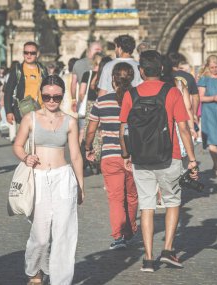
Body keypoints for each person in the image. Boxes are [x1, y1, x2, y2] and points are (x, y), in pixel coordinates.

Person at [119, 50, 198, 272]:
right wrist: (191, 159)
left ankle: (148, 259)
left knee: (146, 206)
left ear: (141, 71)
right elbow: (183, 127)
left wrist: (126, 155)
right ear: (161, 69)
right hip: (169, 156)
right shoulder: (171, 92)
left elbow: (123, 128)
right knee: (172, 202)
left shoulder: (130, 94)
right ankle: (168, 250)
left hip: (140, 158)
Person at [13, 74, 84, 285]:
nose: (51, 100)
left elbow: (76, 155)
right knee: (41, 235)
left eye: (56, 97)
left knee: (64, 234)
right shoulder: (30, 118)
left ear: (62, 96)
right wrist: (26, 157)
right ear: (41, 95)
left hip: (64, 178)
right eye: (47, 96)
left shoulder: (70, 121)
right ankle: (35, 272)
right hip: (38, 178)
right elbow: (17, 145)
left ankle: (60, 281)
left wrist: (81, 185)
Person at [85, 62, 138, 249]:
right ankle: (130, 228)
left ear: (113, 79)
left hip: (110, 156)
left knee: (115, 198)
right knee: (132, 196)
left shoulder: (101, 101)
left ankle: (119, 236)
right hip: (133, 156)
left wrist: (88, 147)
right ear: (131, 78)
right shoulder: (136, 99)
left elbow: (91, 130)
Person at [4, 41, 48, 125]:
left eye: (32, 53)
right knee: (23, 138)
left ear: (37, 54)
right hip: (23, 111)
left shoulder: (43, 70)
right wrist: (8, 111)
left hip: (41, 111)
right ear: (23, 54)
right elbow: (8, 92)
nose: (29, 55)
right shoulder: (17, 70)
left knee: (39, 138)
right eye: (26, 52)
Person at [167, 52, 200, 138]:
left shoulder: (165, 77)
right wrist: (194, 114)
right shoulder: (189, 77)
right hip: (185, 114)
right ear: (179, 63)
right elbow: (195, 97)